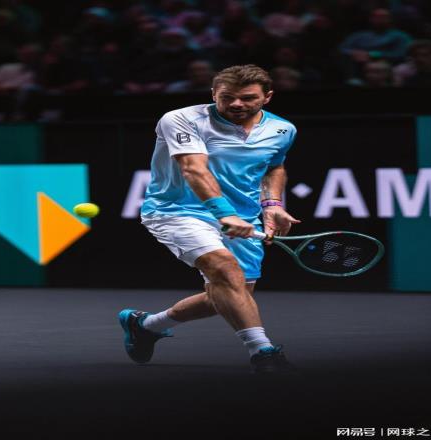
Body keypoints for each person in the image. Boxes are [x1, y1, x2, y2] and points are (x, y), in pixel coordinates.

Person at [119, 64, 300, 374]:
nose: (237, 104)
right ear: (213, 93)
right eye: (227, 97)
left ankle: (146, 326)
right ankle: (263, 352)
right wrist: (225, 214)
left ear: (267, 97)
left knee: (233, 294)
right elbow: (193, 168)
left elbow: (274, 166)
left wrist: (272, 204)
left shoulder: (283, 130)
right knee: (225, 271)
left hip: (244, 216)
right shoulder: (181, 119)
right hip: (176, 210)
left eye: (248, 98)